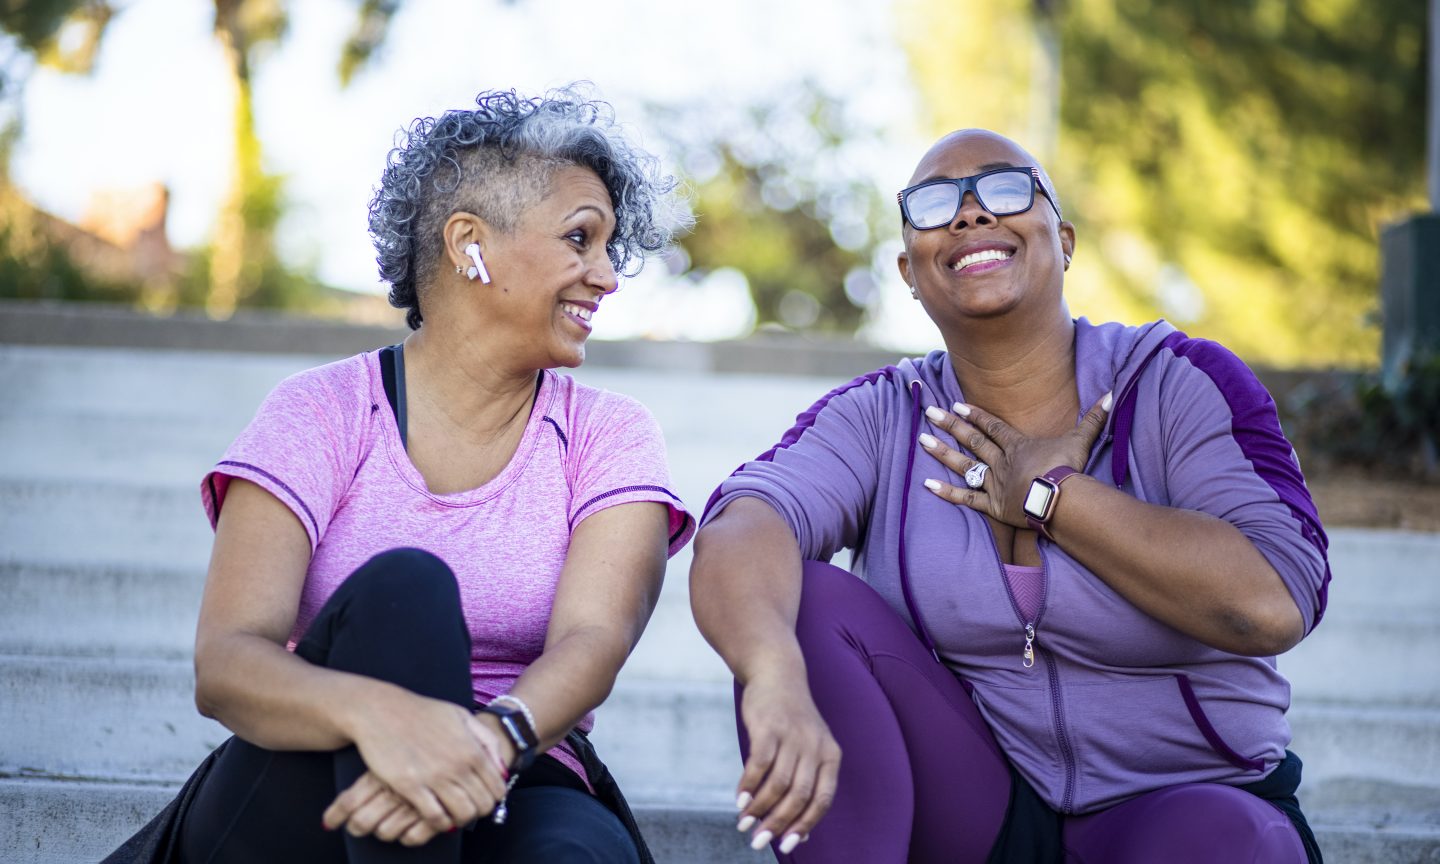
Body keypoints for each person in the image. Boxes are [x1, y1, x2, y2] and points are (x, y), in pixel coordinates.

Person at [689, 129, 1329, 863]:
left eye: (1004, 188)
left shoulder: (1176, 381)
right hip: (979, 811)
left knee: (1232, 840)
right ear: (908, 270)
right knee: (807, 599)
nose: (970, 214)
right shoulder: (883, 414)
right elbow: (744, 524)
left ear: (1065, 240)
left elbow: (1274, 600)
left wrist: (1053, 497)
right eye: (936, 204)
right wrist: (771, 674)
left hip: (1181, 806)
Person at [104, 85, 695, 864]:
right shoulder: (321, 410)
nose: (608, 276)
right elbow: (227, 665)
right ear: (469, 243)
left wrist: (481, 744)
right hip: (310, 771)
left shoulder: (609, 434)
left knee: (575, 855)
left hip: (520, 762)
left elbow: (595, 639)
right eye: (580, 239)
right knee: (406, 589)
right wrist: (385, 720)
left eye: (609, 249)